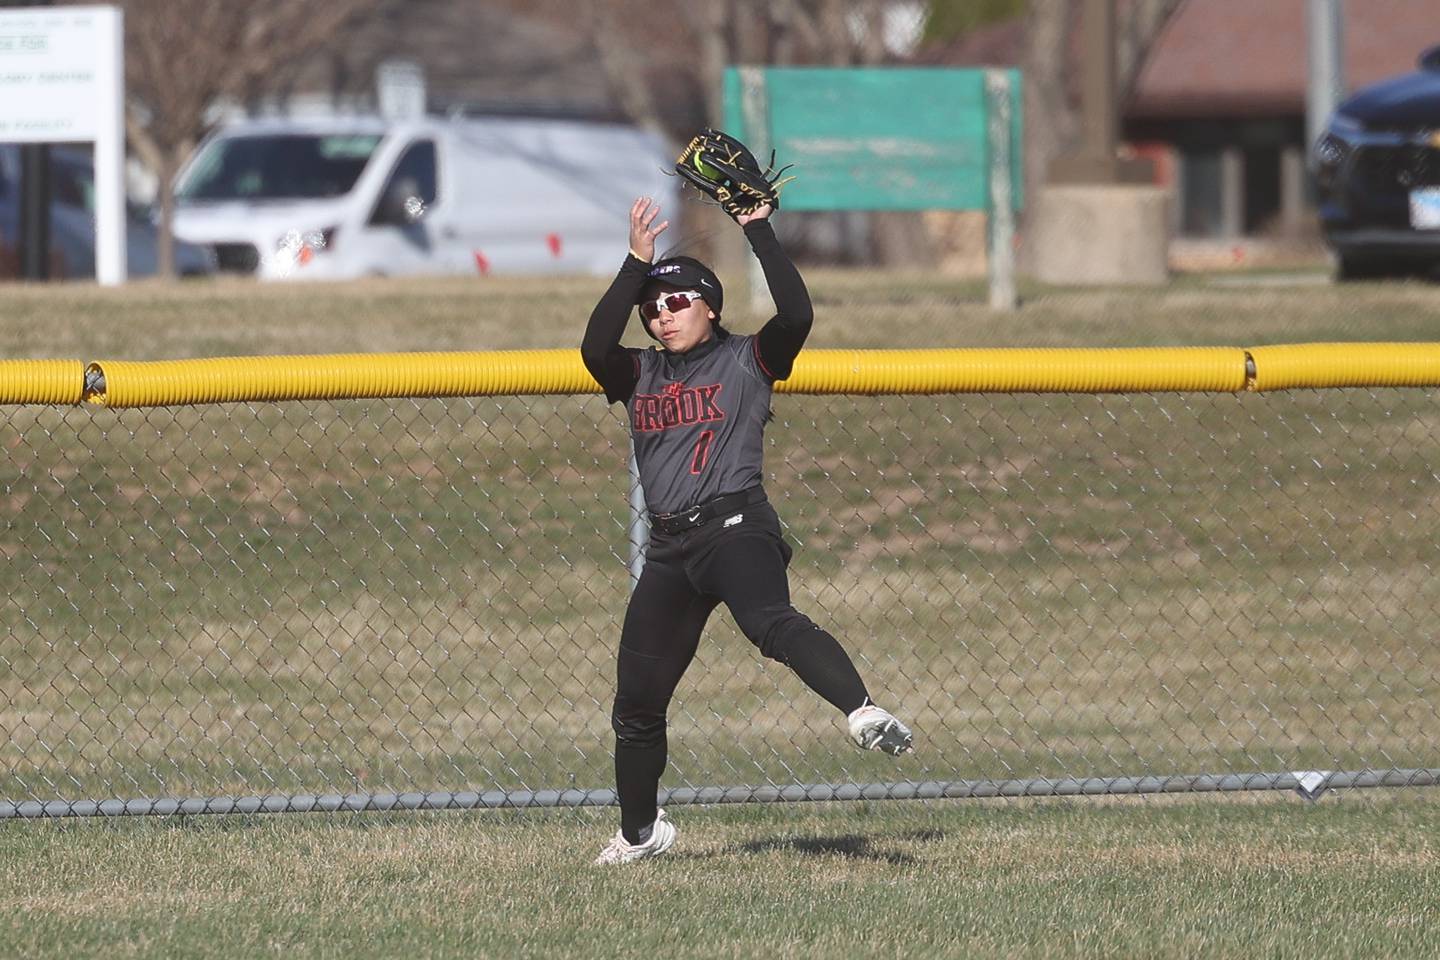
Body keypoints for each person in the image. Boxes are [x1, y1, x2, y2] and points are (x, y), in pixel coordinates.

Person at [580, 196, 913, 866]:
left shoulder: (746, 360)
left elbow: (798, 315)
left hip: (735, 527)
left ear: (709, 305)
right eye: (653, 306)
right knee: (636, 704)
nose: (661, 314)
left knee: (770, 623)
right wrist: (634, 264)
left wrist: (757, 226)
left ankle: (863, 710)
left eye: (676, 302)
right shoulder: (639, 372)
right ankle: (641, 835)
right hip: (670, 550)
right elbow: (594, 347)